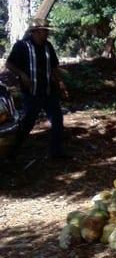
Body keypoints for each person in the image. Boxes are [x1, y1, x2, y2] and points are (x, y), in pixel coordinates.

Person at [5, 18, 69, 160]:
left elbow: (53, 68)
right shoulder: (22, 46)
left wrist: (60, 84)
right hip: (31, 93)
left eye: (47, 31)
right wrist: (22, 74)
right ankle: (13, 152)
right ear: (35, 31)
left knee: (57, 120)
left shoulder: (48, 46)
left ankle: (56, 152)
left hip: (48, 91)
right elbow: (9, 64)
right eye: (44, 31)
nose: (46, 33)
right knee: (28, 122)